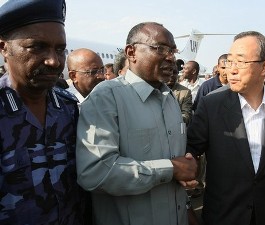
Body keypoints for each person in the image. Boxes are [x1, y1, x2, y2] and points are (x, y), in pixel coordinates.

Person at [75, 22, 198, 225]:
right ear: (131, 52)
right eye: (161, 49)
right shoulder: (106, 98)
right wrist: (170, 169)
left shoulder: (170, 99)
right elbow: (95, 173)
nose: (171, 58)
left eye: (172, 51)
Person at [186, 31, 265, 225]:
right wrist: (187, 167)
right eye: (229, 62)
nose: (231, 70)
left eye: (240, 62)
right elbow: (191, 148)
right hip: (223, 214)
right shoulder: (211, 105)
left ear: (264, 67)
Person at [0, 0, 88, 224]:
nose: (53, 61)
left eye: (60, 49)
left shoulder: (68, 107)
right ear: (3, 48)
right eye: (37, 47)